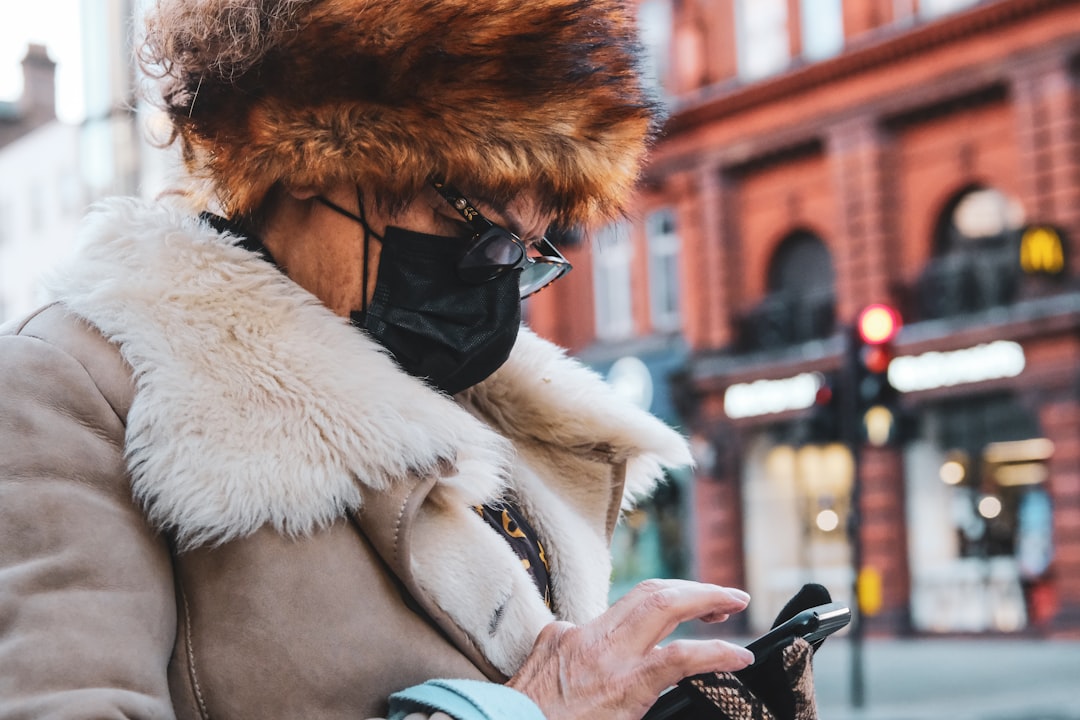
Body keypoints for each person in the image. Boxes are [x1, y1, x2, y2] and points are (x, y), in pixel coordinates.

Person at [0, 1, 756, 718]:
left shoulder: (476, 407)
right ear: (305, 144)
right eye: (475, 229)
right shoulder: (77, 386)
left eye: (526, 254)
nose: (495, 284)